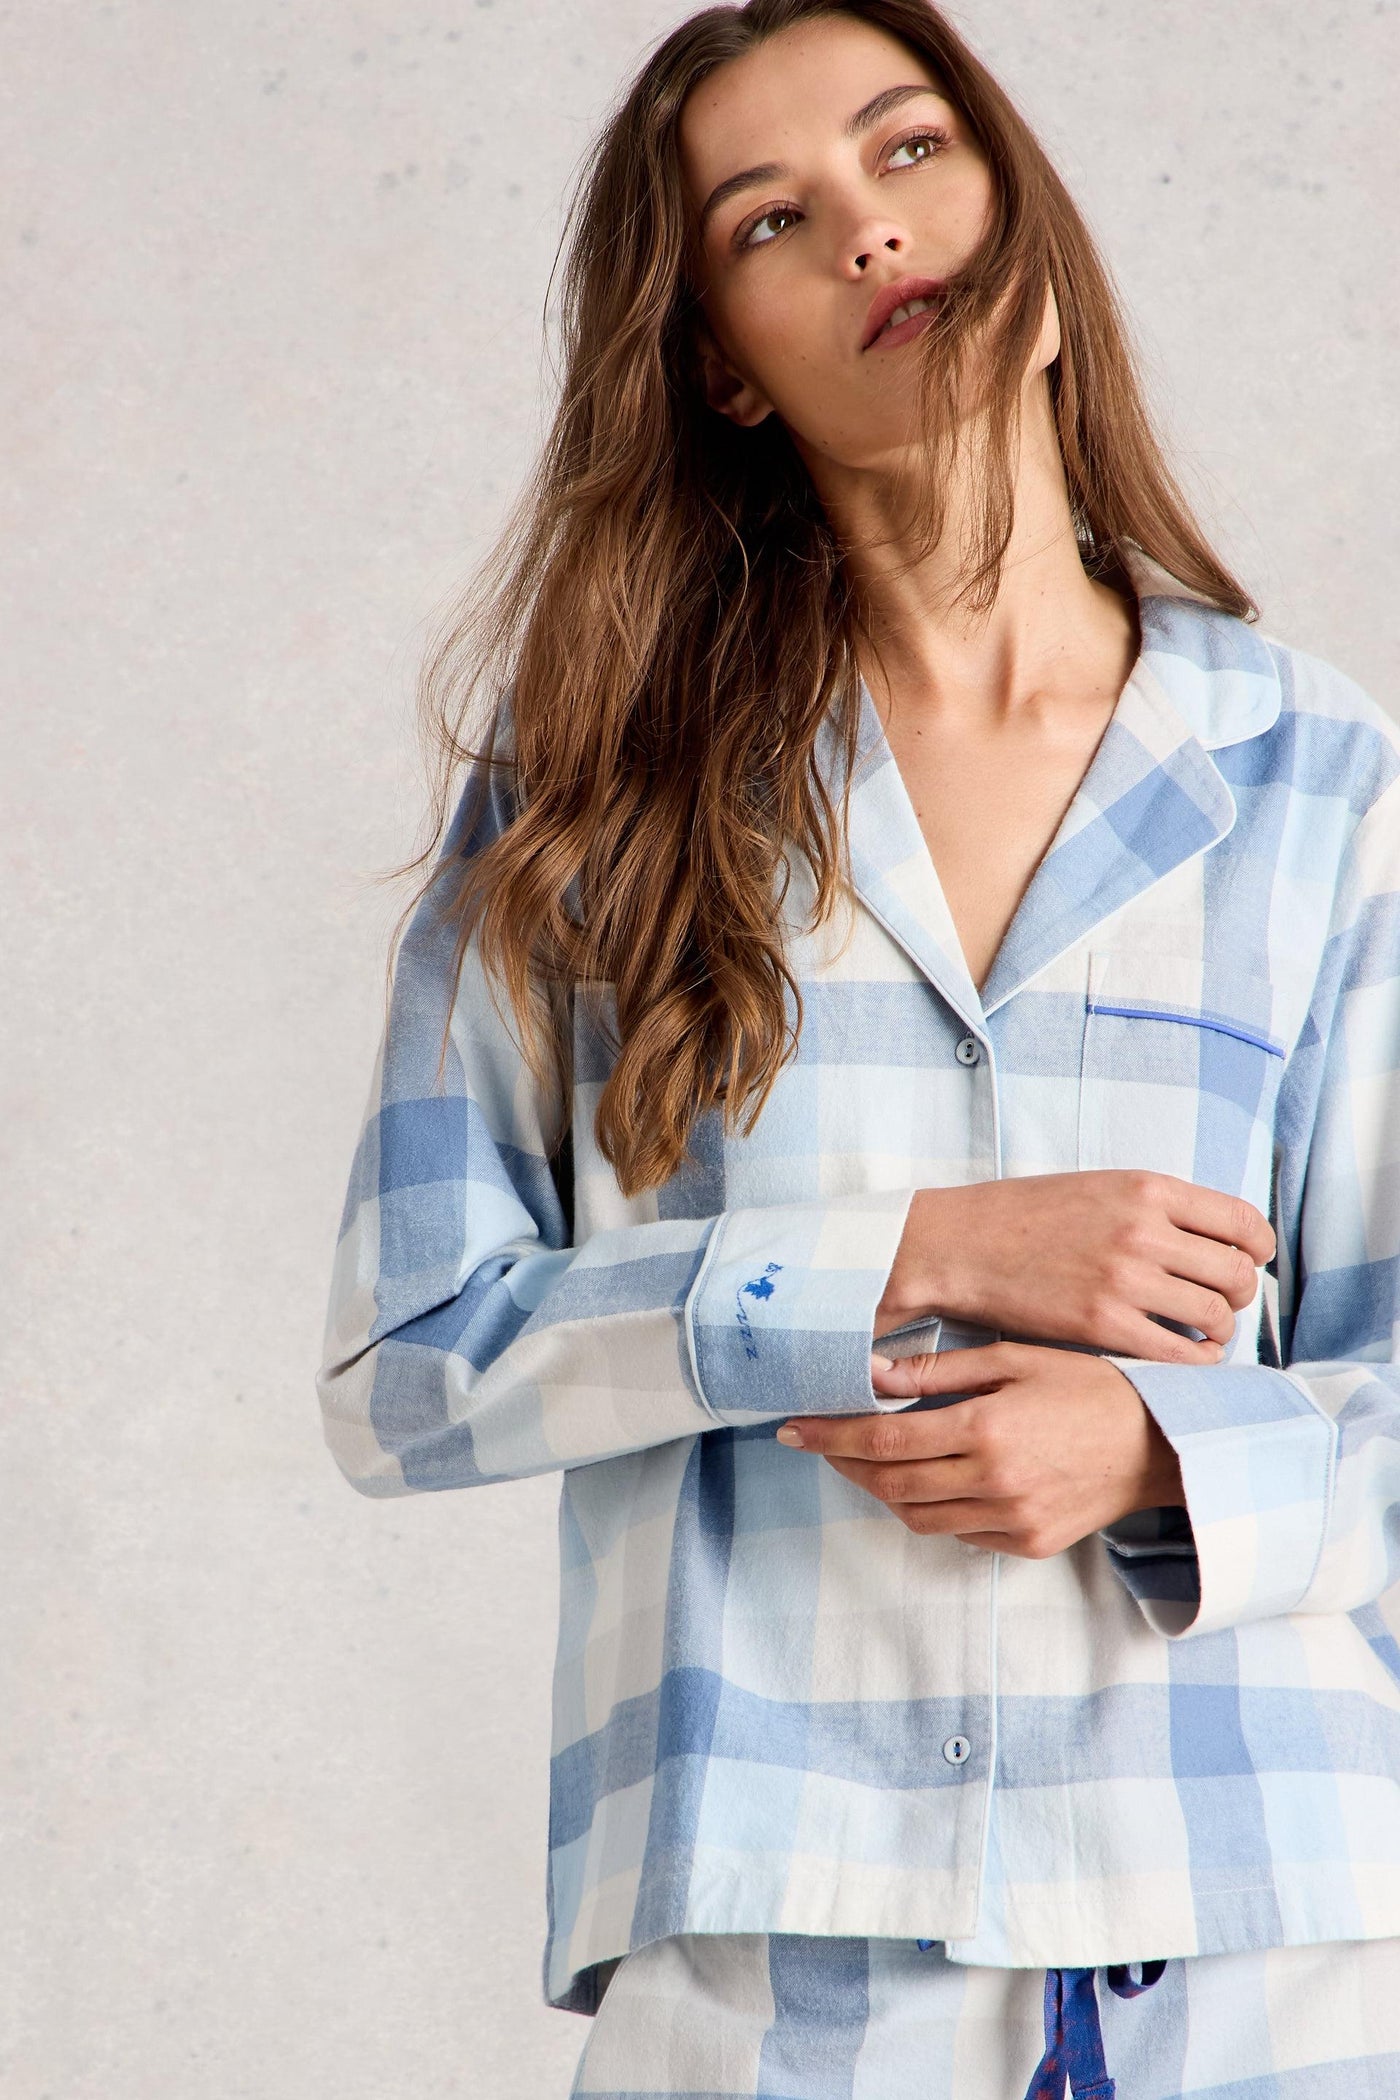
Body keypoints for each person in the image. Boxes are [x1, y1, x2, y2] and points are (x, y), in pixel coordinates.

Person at [315, 2, 1400, 2093]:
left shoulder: (1317, 779)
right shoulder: (593, 796)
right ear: (720, 357)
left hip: (1259, 1937)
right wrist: (906, 1257)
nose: (870, 239)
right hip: (780, 1957)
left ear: (1017, 212)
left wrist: (1162, 1453)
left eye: (909, 157)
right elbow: (407, 1370)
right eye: (774, 217)